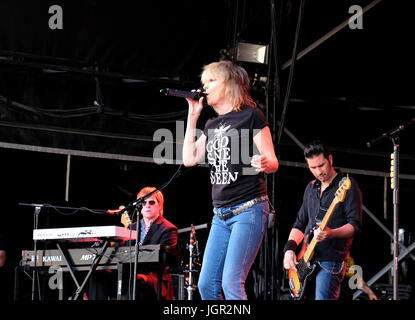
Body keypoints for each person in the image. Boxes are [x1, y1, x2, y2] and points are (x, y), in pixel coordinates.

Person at [182, 60, 279, 300]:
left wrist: (265, 163)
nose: (205, 87)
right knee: (206, 285)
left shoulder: (251, 115)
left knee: (231, 283)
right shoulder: (212, 123)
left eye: (211, 81)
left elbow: (273, 160)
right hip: (220, 215)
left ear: (228, 84)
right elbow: (189, 159)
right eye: (204, 82)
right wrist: (193, 116)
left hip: (248, 209)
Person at [283, 140, 362, 300]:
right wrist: (289, 249)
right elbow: (299, 223)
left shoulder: (346, 184)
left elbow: (355, 224)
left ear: (330, 160)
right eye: (313, 167)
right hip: (306, 259)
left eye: (322, 165)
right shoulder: (311, 188)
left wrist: (331, 233)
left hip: (331, 259)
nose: (318, 172)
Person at [88, 186, 178, 300]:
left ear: (159, 205)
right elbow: (118, 250)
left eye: (151, 202)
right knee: (98, 275)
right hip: (129, 273)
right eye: (143, 203)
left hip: (153, 276)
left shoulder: (168, 229)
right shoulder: (132, 227)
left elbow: (164, 260)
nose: (147, 206)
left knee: (134, 279)